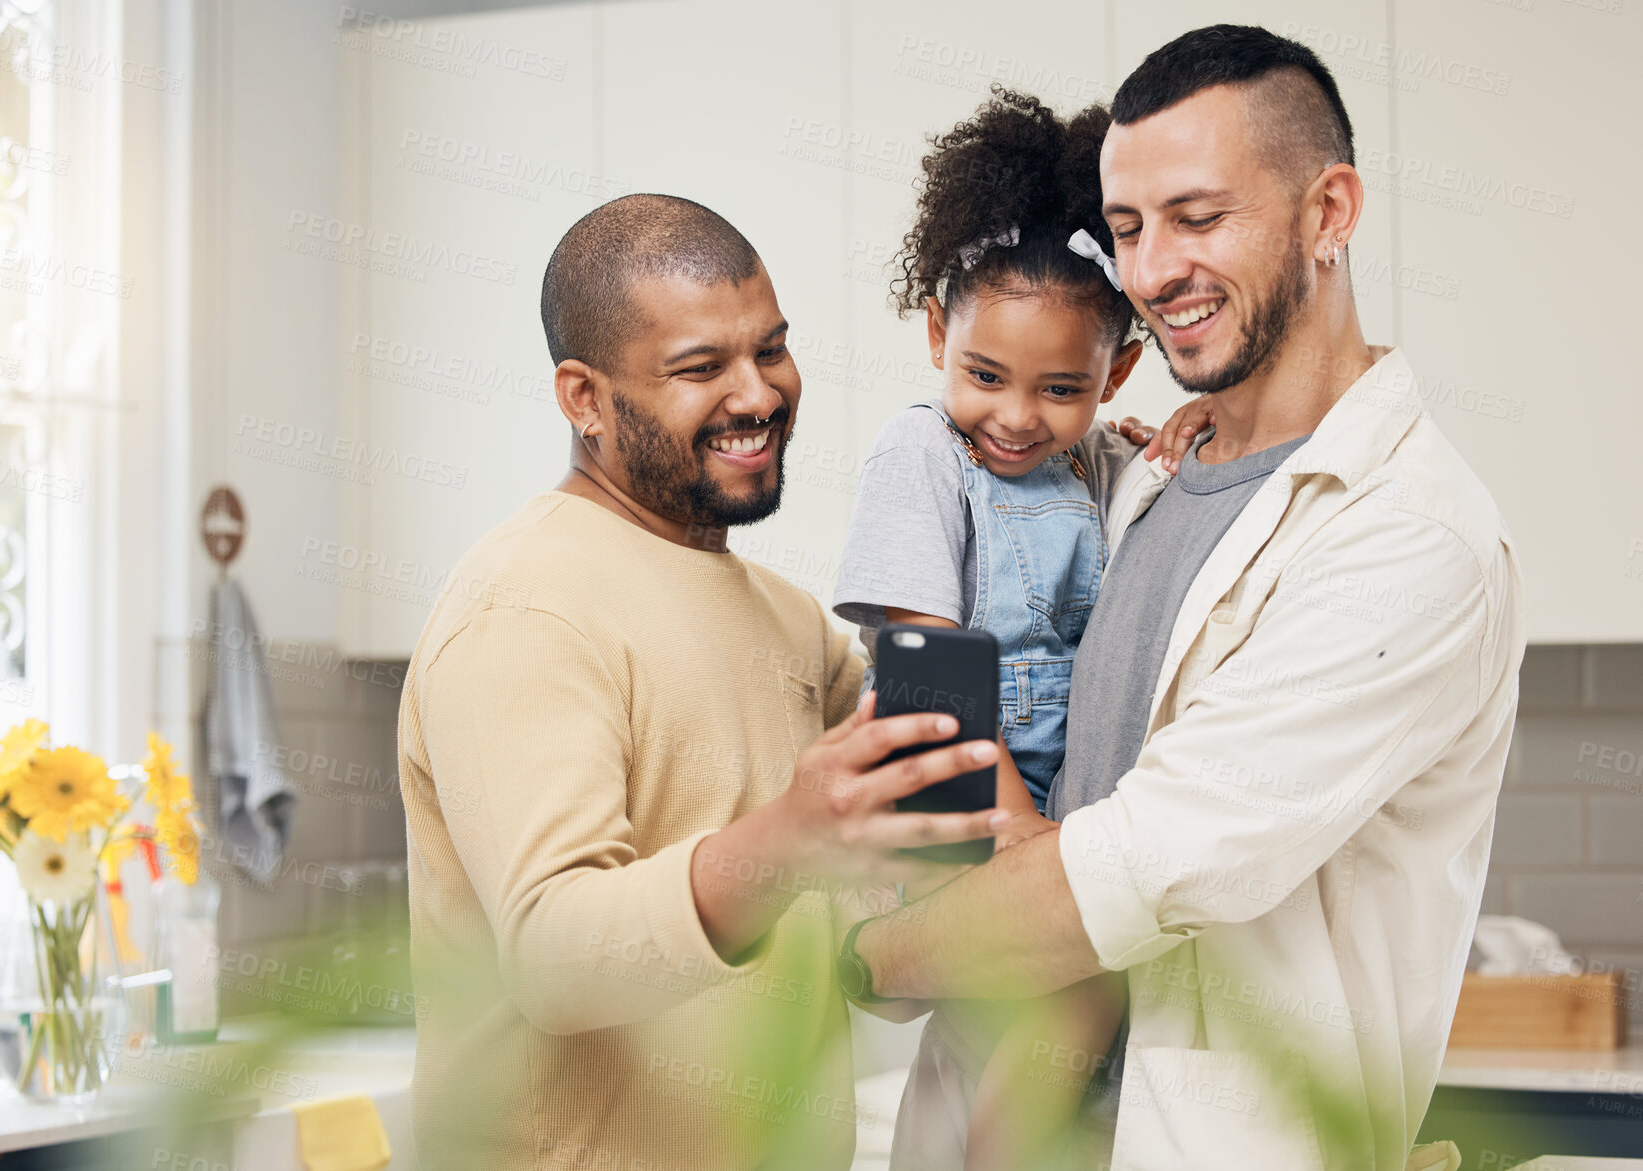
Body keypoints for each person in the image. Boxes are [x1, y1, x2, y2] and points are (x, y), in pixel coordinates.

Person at [849, 26, 1526, 1170]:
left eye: (1198, 217)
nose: (1153, 271)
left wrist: (857, 961)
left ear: (1328, 212)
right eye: (1127, 228)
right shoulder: (1137, 471)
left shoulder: (1407, 534)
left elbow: (1144, 865)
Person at [396, 193, 1015, 1170]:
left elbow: (862, 917)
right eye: (701, 368)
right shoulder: (524, 609)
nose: (758, 394)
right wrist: (792, 835)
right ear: (583, 398)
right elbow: (554, 958)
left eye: (769, 349)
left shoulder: (787, 617)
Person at [832, 91, 1150, 1171]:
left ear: (1115, 377)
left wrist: (1167, 445)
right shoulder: (920, 456)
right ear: (935, 333)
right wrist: (1016, 830)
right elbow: (925, 660)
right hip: (953, 790)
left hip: (1054, 813)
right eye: (985, 375)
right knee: (1082, 992)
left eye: (1061, 388)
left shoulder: (1103, 464)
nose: (1016, 415)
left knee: (1028, 1019)